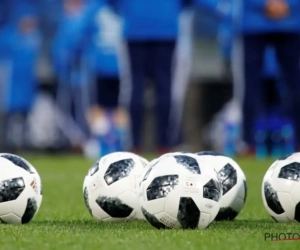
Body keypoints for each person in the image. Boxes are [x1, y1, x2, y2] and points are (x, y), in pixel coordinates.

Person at [108, 0, 193, 154]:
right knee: (165, 88)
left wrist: (128, 9)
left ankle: (133, 146)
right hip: (166, 26)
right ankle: (165, 146)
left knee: (134, 89)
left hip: (135, 25)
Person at [232, 0, 300, 152]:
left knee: (294, 86)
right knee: (251, 86)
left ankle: (247, 144)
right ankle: (247, 143)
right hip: (276, 20)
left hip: (283, 21)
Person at [0, 5, 41, 151]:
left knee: (25, 119)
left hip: (26, 88)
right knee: (7, 119)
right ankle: (5, 145)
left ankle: (24, 144)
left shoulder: (33, 39)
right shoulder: (8, 38)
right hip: (9, 88)